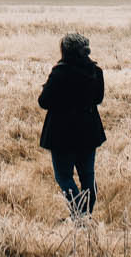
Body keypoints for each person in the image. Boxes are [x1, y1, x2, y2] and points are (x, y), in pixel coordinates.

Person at [38, 31, 105, 221]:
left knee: (64, 177)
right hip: (88, 132)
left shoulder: (59, 73)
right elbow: (98, 99)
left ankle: (80, 215)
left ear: (65, 51)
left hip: (62, 134)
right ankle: (85, 216)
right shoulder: (96, 72)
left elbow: (43, 102)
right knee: (87, 178)